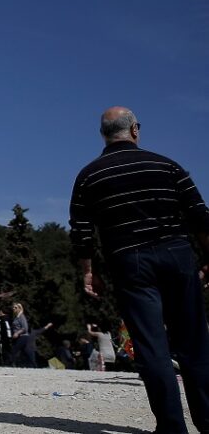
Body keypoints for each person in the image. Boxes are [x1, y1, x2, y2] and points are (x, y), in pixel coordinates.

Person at [69, 106, 209, 434]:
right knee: (194, 344)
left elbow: (82, 231)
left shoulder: (90, 175)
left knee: (152, 347)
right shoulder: (167, 165)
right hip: (176, 254)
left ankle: (172, 427)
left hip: (128, 260)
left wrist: (89, 271)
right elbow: (201, 216)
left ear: (103, 135)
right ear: (135, 130)